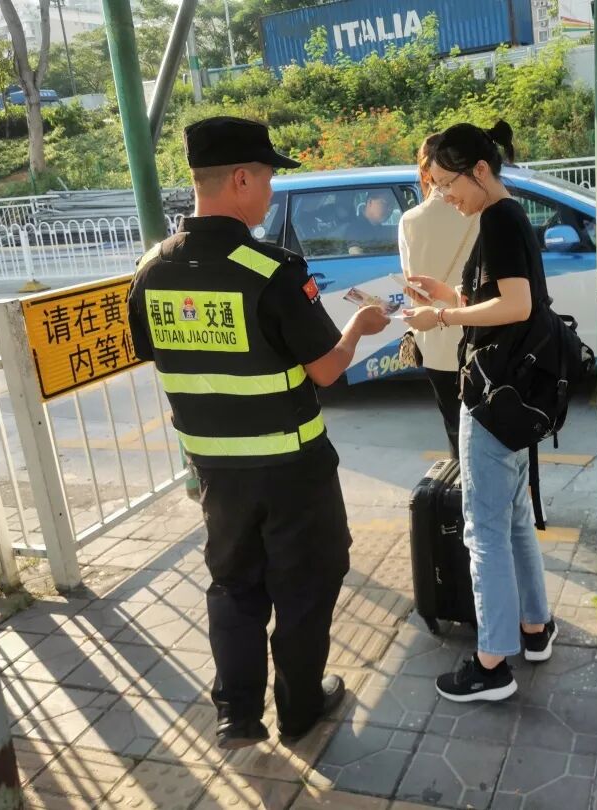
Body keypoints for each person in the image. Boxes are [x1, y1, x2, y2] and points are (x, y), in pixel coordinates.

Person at [126, 116, 390, 749]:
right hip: (292, 470)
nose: (271, 191)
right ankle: (300, 709)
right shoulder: (271, 268)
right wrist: (359, 329)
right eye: (268, 178)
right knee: (305, 586)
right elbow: (326, 369)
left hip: (215, 471)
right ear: (241, 179)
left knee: (233, 583)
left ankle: (237, 713)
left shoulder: (151, 268)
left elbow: (158, 356)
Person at [404, 120, 556, 702]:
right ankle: (535, 627)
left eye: (448, 184)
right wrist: (451, 297)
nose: (445, 196)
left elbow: (515, 306)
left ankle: (492, 664)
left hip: (492, 397)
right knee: (512, 518)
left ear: (481, 171)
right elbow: (503, 299)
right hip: (515, 393)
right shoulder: (509, 215)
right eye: (437, 186)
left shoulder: (496, 219)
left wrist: (442, 318)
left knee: (484, 530)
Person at [398, 133, 479, 458]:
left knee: (456, 430)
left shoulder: (410, 221)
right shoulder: (480, 211)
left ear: (424, 171)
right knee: (489, 433)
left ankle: (460, 482)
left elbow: (412, 284)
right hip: (481, 335)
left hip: (435, 342)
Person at [346, 189, 395, 253]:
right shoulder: (355, 230)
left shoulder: (379, 228)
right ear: (370, 202)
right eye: (385, 203)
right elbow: (356, 254)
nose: (390, 209)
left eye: (392, 205)